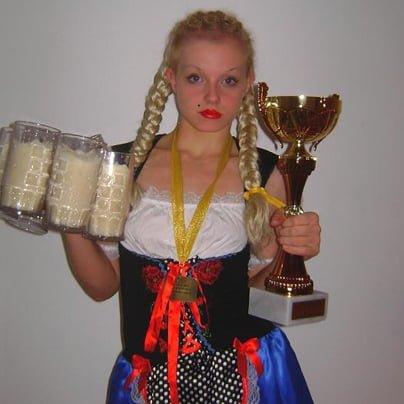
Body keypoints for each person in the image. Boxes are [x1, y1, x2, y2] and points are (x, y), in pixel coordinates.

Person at [62, 9, 320, 404]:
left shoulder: (266, 175)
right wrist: (69, 220)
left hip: (244, 374)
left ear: (248, 83)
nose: (212, 97)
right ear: (171, 79)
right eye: (196, 78)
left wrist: (294, 252)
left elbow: (257, 296)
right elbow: (102, 287)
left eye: (228, 80)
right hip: (150, 378)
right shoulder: (123, 167)